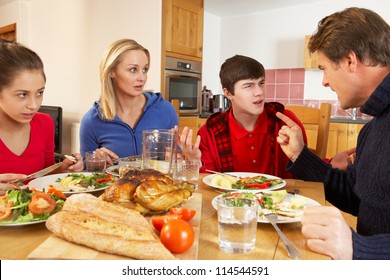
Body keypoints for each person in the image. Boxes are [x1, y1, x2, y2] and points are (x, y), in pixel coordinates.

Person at [275, 7, 390, 259]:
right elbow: (359, 198)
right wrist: (300, 156)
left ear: (350, 61)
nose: (325, 81)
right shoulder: (373, 128)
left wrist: (359, 248)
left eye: (324, 68)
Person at [179, 55, 308, 179]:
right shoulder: (209, 132)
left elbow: (305, 177)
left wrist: (301, 156)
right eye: (248, 86)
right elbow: (209, 183)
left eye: (261, 83)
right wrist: (195, 162)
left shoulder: (286, 122)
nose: (259, 92)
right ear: (228, 93)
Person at [0, 39, 83, 196]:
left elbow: (43, 179)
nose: (34, 105)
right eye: (22, 94)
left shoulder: (45, 123)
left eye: (39, 93)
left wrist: (61, 171)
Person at [80, 39, 178, 165]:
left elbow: (176, 161)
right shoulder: (91, 121)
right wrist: (96, 162)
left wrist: (183, 158)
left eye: (145, 69)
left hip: (157, 184)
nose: (142, 78)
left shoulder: (166, 110)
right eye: (133, 70)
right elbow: (85, 176)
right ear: (111, 72)